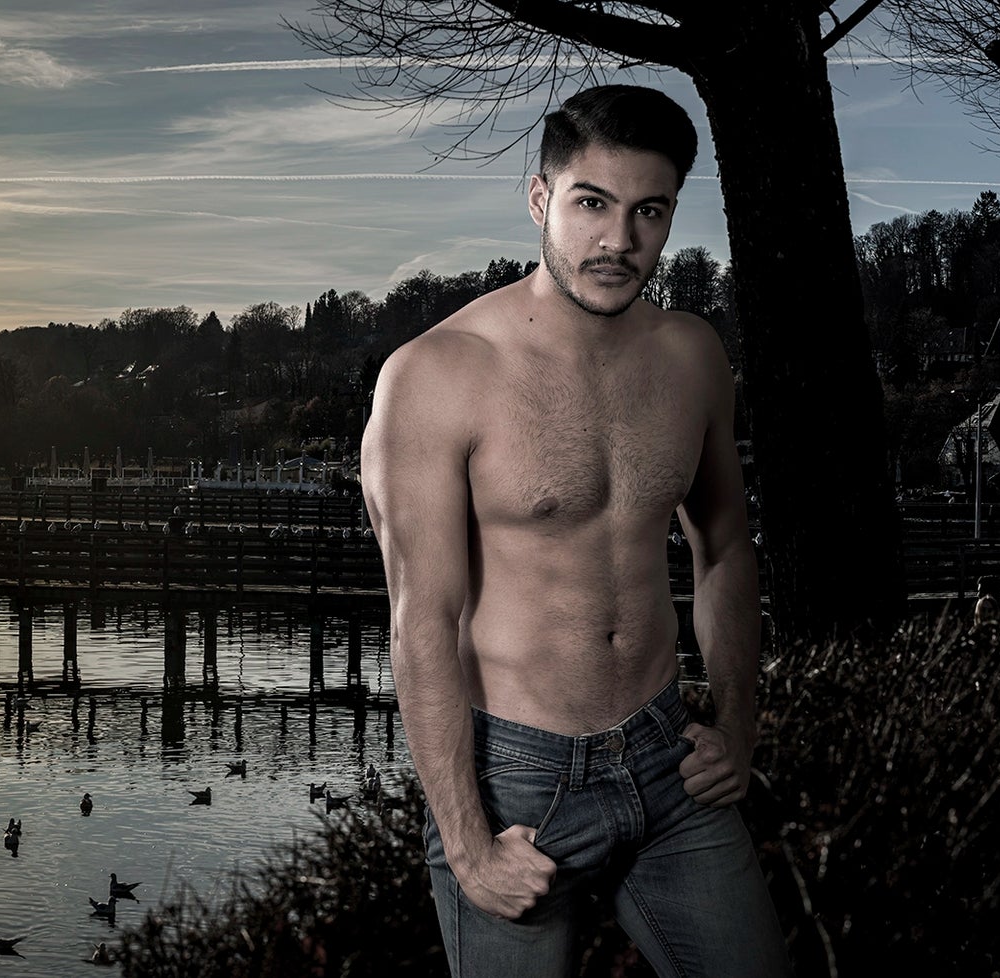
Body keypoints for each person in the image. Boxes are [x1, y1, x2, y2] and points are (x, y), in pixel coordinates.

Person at [359, 84, 789, 976]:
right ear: (540, 199)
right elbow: (421, 621)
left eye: (649, 212)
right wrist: (469, 844)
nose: (619, 241)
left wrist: (738, 729)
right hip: (517, 777)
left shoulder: (692, 356)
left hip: (666, 755)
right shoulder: (436, 376)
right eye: (591, 204)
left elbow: (724, 552)